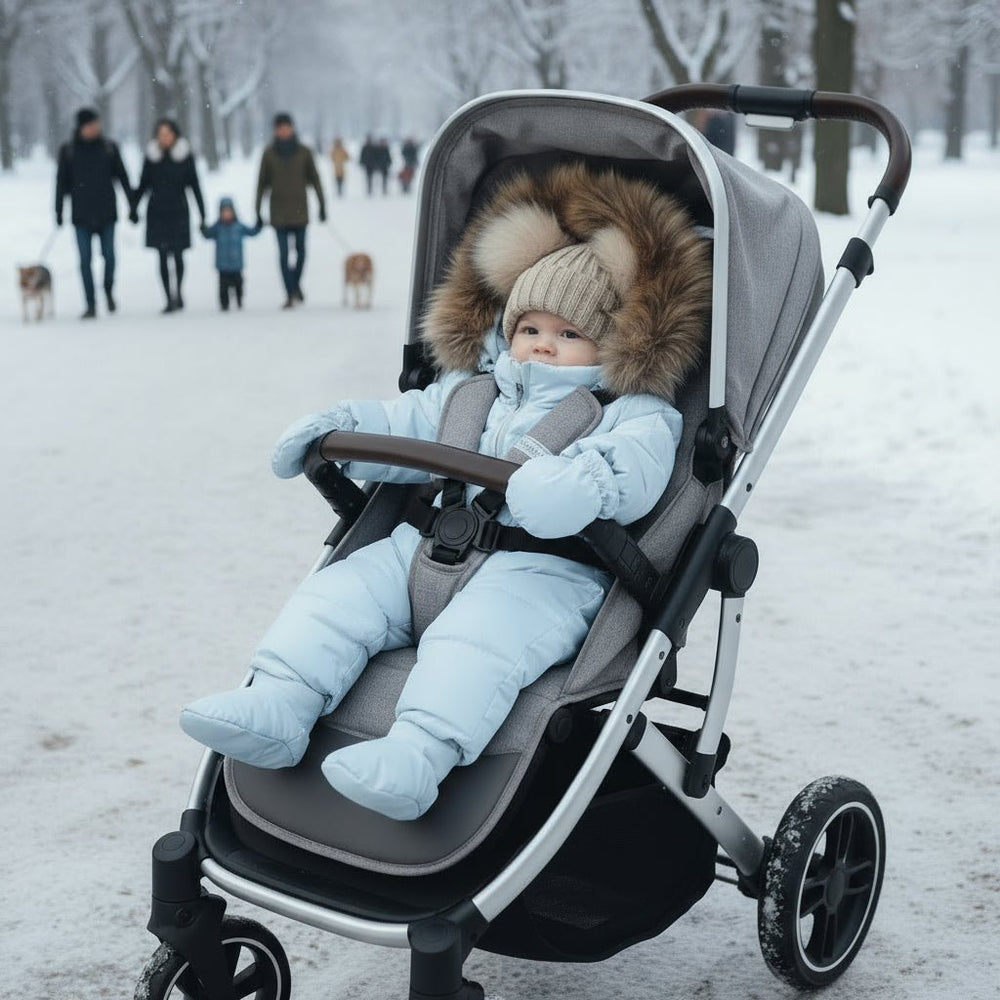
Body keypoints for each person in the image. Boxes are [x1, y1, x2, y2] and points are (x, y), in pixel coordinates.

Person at [179, 165, 711, 821]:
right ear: (506, 332)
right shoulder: (469, 394)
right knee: (340, 591)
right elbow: (404, 422)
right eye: (530, 328)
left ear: (612, 341)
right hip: (431, 551)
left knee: (477, 642)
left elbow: (630, 470)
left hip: (543, 573)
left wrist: (576, 484)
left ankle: (417, 754)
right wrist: (337, 426)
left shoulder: (632, 412)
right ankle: (281, 700)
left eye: (570, 334)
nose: (544, 344)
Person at [54, 107, 135, 319]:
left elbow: (123, 178)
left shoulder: (109, 148)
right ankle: (90, 303)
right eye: (90, 125)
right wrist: (58, 211)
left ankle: (108, 289)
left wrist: (132, 205)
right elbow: (61, 183)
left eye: (96, 124)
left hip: (107, 213)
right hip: (81, 216)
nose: (94, 128)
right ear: (81, 127)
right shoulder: (69, 151)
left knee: (109, 256)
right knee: (84, 261)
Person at [133, 119, 206, 313]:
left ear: (175, 135)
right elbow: (143, 184)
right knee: (162, 256)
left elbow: (195, 186)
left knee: (179, 255)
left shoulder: (184, 156)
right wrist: (133, 208)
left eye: (168, 133)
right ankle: (168, 297)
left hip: (179, 210)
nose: (164, 137)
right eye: (161, 134)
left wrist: (203, 215)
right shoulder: (151, 157)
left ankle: (178, 291)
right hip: (157, 211)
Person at [255, 112, 327, 310]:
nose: (283, 130)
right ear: (275, 130)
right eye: (280, 127)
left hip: (299, 211)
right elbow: (261, 183)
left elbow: (315, 179)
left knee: (302, 253)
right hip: (278, 213)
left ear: (292, 128)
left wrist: (322, 206)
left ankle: (294, 284)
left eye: (286, 127)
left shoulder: (304, 151)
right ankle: (289, 293)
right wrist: (257, 211)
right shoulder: (269, 153)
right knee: (283, 255)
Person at [200, 197, 263, 311]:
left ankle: (239, 300)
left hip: (236, 264)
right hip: (222, 265)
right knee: (223, 287)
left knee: (238, 284)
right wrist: (203, 228)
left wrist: (259, 225)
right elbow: (207, 234)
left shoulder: (239, 227)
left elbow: (252, 232)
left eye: (228, 211)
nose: (226, 214)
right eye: (224, 212)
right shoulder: (217, 228)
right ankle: (224, 304)